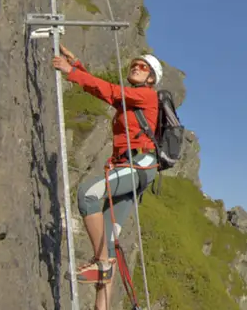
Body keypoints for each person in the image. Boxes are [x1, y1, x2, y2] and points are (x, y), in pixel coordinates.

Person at [51, 44, 163, 309]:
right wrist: (77, 67)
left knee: (88, 194)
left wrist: (71, 73)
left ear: (151, 79)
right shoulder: (131, 100)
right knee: (110, 247)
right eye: (134, 64)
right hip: (133, 168)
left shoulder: (147, 96)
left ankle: (101, 264)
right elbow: (104, 92)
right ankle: (103, 285)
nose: (136, 67)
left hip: (140, 164)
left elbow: (111, 91)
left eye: (143, 66)